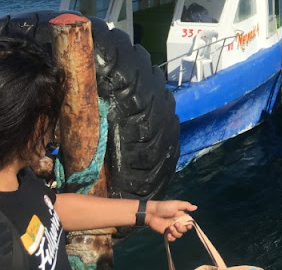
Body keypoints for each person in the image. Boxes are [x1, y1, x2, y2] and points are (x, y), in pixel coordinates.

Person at [0, 36, 197, 270]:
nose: (53, 132)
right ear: (23, 122)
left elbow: (51, 207)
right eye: (49, 115)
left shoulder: (18, 176)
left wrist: (148, 212)